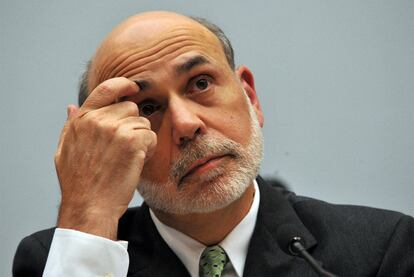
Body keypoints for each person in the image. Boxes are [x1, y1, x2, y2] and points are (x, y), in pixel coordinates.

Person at [13, 11, 414, 277]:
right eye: (148, 107)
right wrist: (88, 215)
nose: (186, 125)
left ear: (250, 97)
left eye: (200, 84)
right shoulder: (55, 259)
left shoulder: (381, 248)